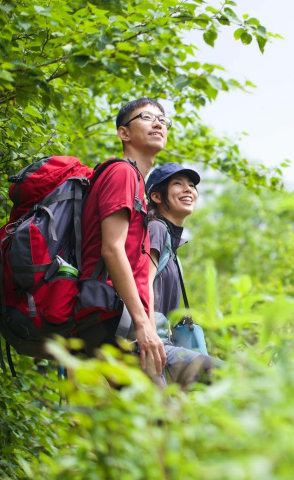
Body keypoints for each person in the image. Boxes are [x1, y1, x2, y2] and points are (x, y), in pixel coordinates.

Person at [74, 97, 169, 378]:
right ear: (123, 133)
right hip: (112, 317)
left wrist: (147, 326)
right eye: (147, 117)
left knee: (148, 416)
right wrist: (142, 324)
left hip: (121, 319)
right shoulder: (122, 173)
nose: (158, 124)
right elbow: (112, 249)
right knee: (159, 413)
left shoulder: (137, 182)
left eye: (163, 120)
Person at [145, 162, 218, 387]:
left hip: (159, 345)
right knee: (228, 376)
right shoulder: (156, 229)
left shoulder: (172, 244)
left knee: (165, 420)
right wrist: (148, 336)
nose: (188, 189)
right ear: (157, 196)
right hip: (144, 344)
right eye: (178, 184)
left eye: (192, 185)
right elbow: (143, 283)